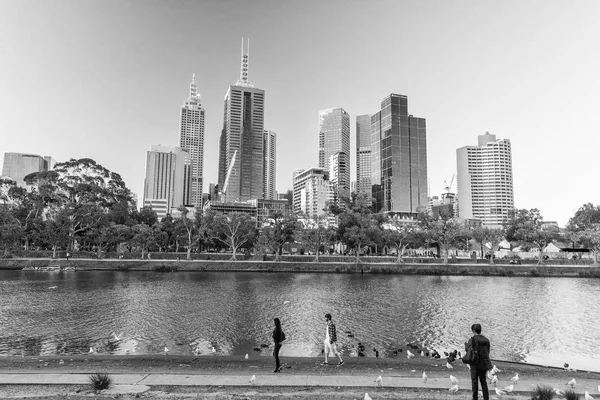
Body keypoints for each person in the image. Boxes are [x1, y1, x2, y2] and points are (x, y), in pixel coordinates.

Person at [466, 323, 493, 400]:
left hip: (475, 364)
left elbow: (469, 353)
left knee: (474, 382)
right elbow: (487, 352)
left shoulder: (472, 340)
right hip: (484, 364)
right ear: (480, 330)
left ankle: (475, 398)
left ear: (473, 330)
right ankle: (486, 398)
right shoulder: (486, 340)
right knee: (483, 381)